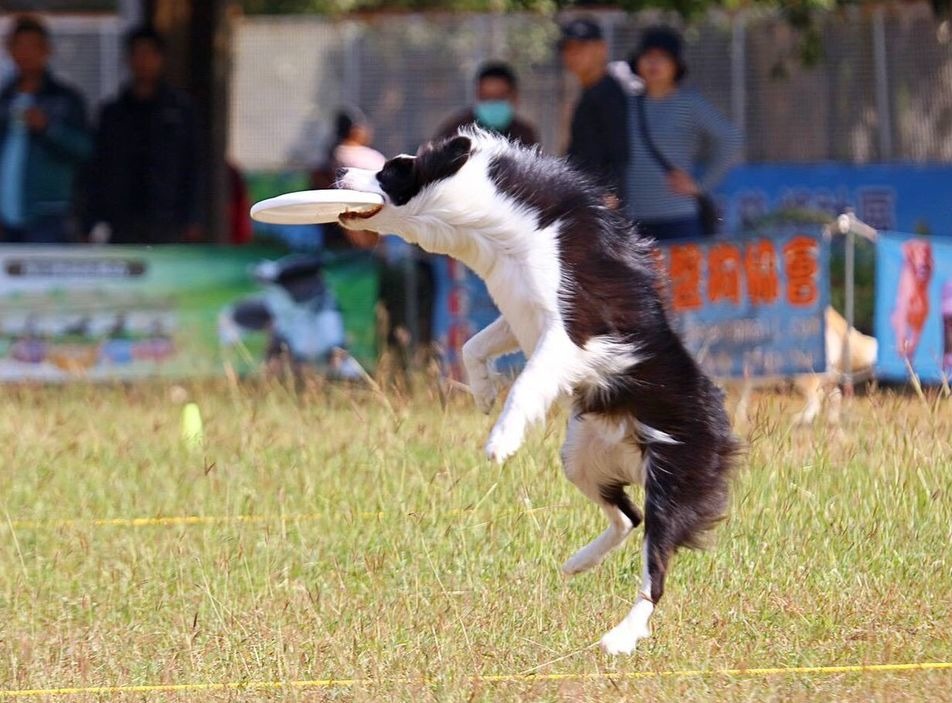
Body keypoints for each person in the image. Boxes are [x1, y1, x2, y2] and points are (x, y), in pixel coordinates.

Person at [626, 26, 743, 241]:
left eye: (662, 57)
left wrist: (701, 185)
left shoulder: (689, 103)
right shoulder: (627, 105)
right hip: (633, 218)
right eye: (648, 56)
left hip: (677, 216)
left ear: (675, 65)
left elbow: (731, 138)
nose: (653, 63)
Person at [87, 26, 201, 244]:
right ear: (127, 59)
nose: (143, 61)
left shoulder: (181, 110)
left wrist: (193, 217)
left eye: (149, 54)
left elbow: (193, 166)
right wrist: (92, 218)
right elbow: (97, 168)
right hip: (121, 218)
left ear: (161, 58)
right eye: (137, 54)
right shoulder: (113, 112)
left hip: (168, 217)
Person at [0, 15, 91, 243]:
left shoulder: (65, 98)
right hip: (5, 217)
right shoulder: (4, 98)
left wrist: (48, 128)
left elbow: (84, 150)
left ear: (46, 50)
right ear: (9, 50)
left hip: (47, 215)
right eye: (19, 46)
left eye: (32, 46)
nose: (25, 53)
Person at [559, 17, 629, 207]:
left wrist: (612, 194)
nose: (573, 55)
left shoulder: (609, 94)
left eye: (581, 47)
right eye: (568, 48)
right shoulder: (588, 94)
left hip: (604, 203)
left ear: (602, 49)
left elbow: (619, 150)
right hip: (587, 198)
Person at [435, 61, 538, 146]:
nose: (492, 103)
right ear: (476, 96)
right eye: (486, 98)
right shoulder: (456, 131)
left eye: (499, 98)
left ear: (515, 97)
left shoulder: (524, 134)